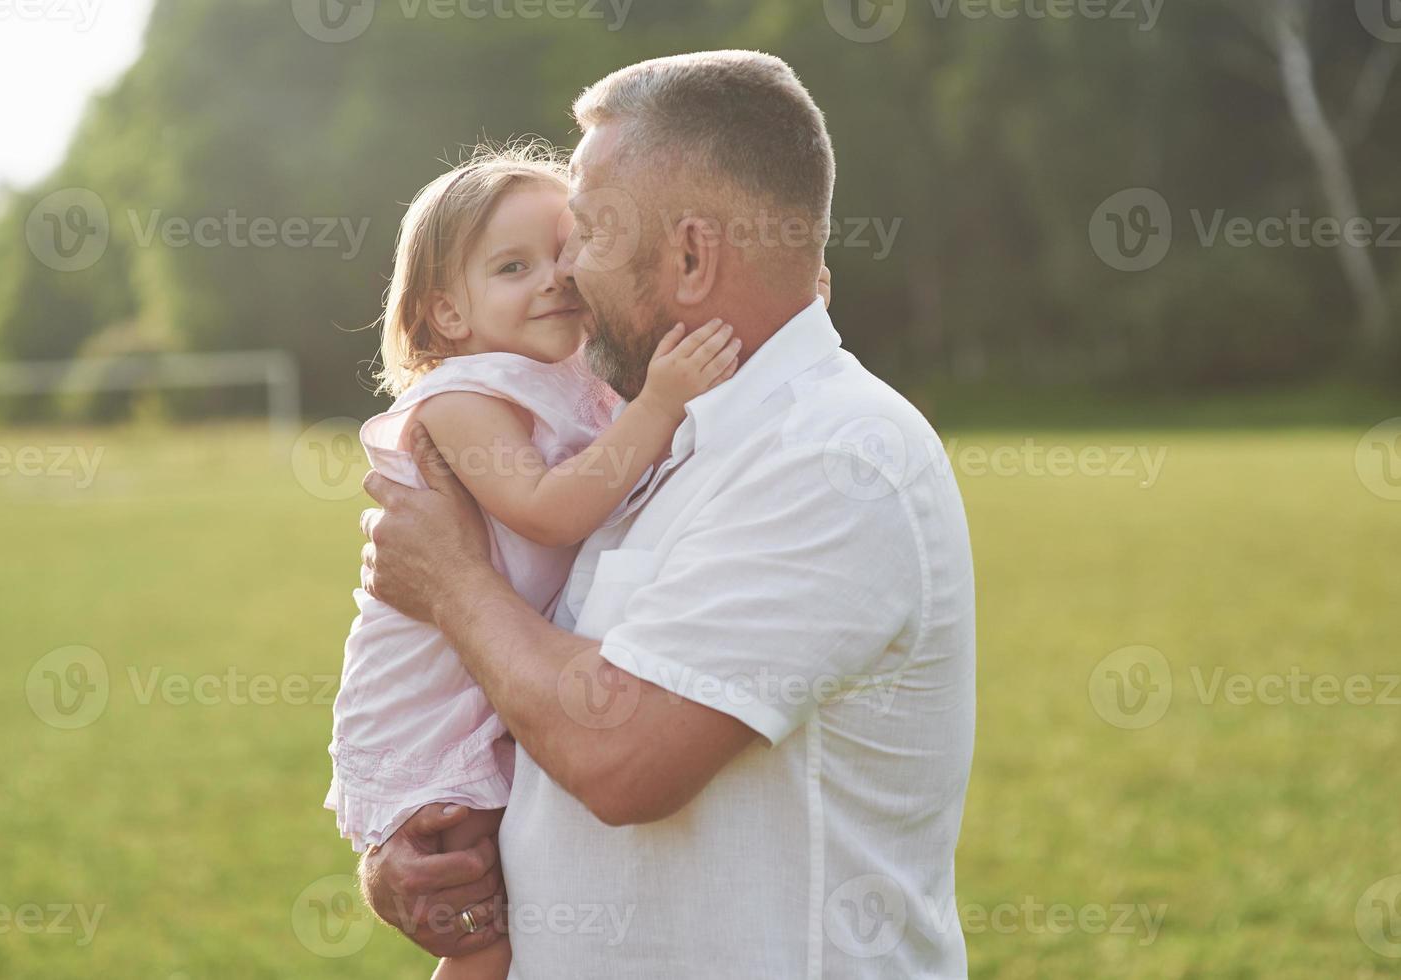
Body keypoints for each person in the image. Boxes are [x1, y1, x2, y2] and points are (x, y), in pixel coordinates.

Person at [359, 50, 976, 978]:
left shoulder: (835, 458)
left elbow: (621, 760)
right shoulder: (654, 433)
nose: (565, 269)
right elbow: (526, 688)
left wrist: (450, 581)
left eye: (588, 232)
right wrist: (422, 854)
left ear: (689, 257)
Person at [328, 141, 746, 980]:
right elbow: (549, 513)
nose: (553, 278)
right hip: (428, 702)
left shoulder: (576, 372)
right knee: (483, 932)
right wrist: (661, 404)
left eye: (566, 253)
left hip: (494, 673)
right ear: (447, 313)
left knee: (516, 914)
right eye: (514, 266)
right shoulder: (464, 399)